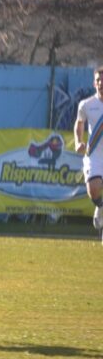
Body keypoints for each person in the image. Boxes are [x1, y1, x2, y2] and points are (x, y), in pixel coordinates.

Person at [74, 65, 103, 244]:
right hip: (94, 155)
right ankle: (100, 206)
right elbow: (79, 124)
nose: (101, 84)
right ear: (94, 83)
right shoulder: (86, 105)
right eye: (99, 81)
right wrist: (78, 142)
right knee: (93, 189)